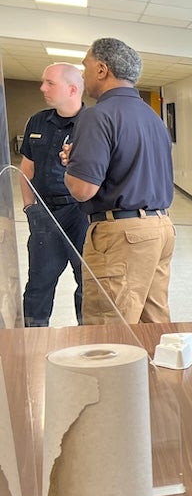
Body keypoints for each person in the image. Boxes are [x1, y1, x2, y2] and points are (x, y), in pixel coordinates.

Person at [62, 37, 175, 324]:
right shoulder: (153, 118)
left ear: (102, 69)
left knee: (109, 329)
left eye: (85, 66)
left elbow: (82, 189)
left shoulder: (98, 115)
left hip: (123, 236)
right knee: (154, 324)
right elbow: (129, 164)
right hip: (161, 229)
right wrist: (85, 158)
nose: (83, 73)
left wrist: (73, 165)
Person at [18, 63, 87, 326]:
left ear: (71, 89)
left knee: (87, 283)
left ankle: (89, 340)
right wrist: (29, 208)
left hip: (81, 214)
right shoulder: (38, 120)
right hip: (45, 213)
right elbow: (26, 167)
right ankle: (33, 339)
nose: (42, 88)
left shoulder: (93, 123)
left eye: (50, 83)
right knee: (39, 283)